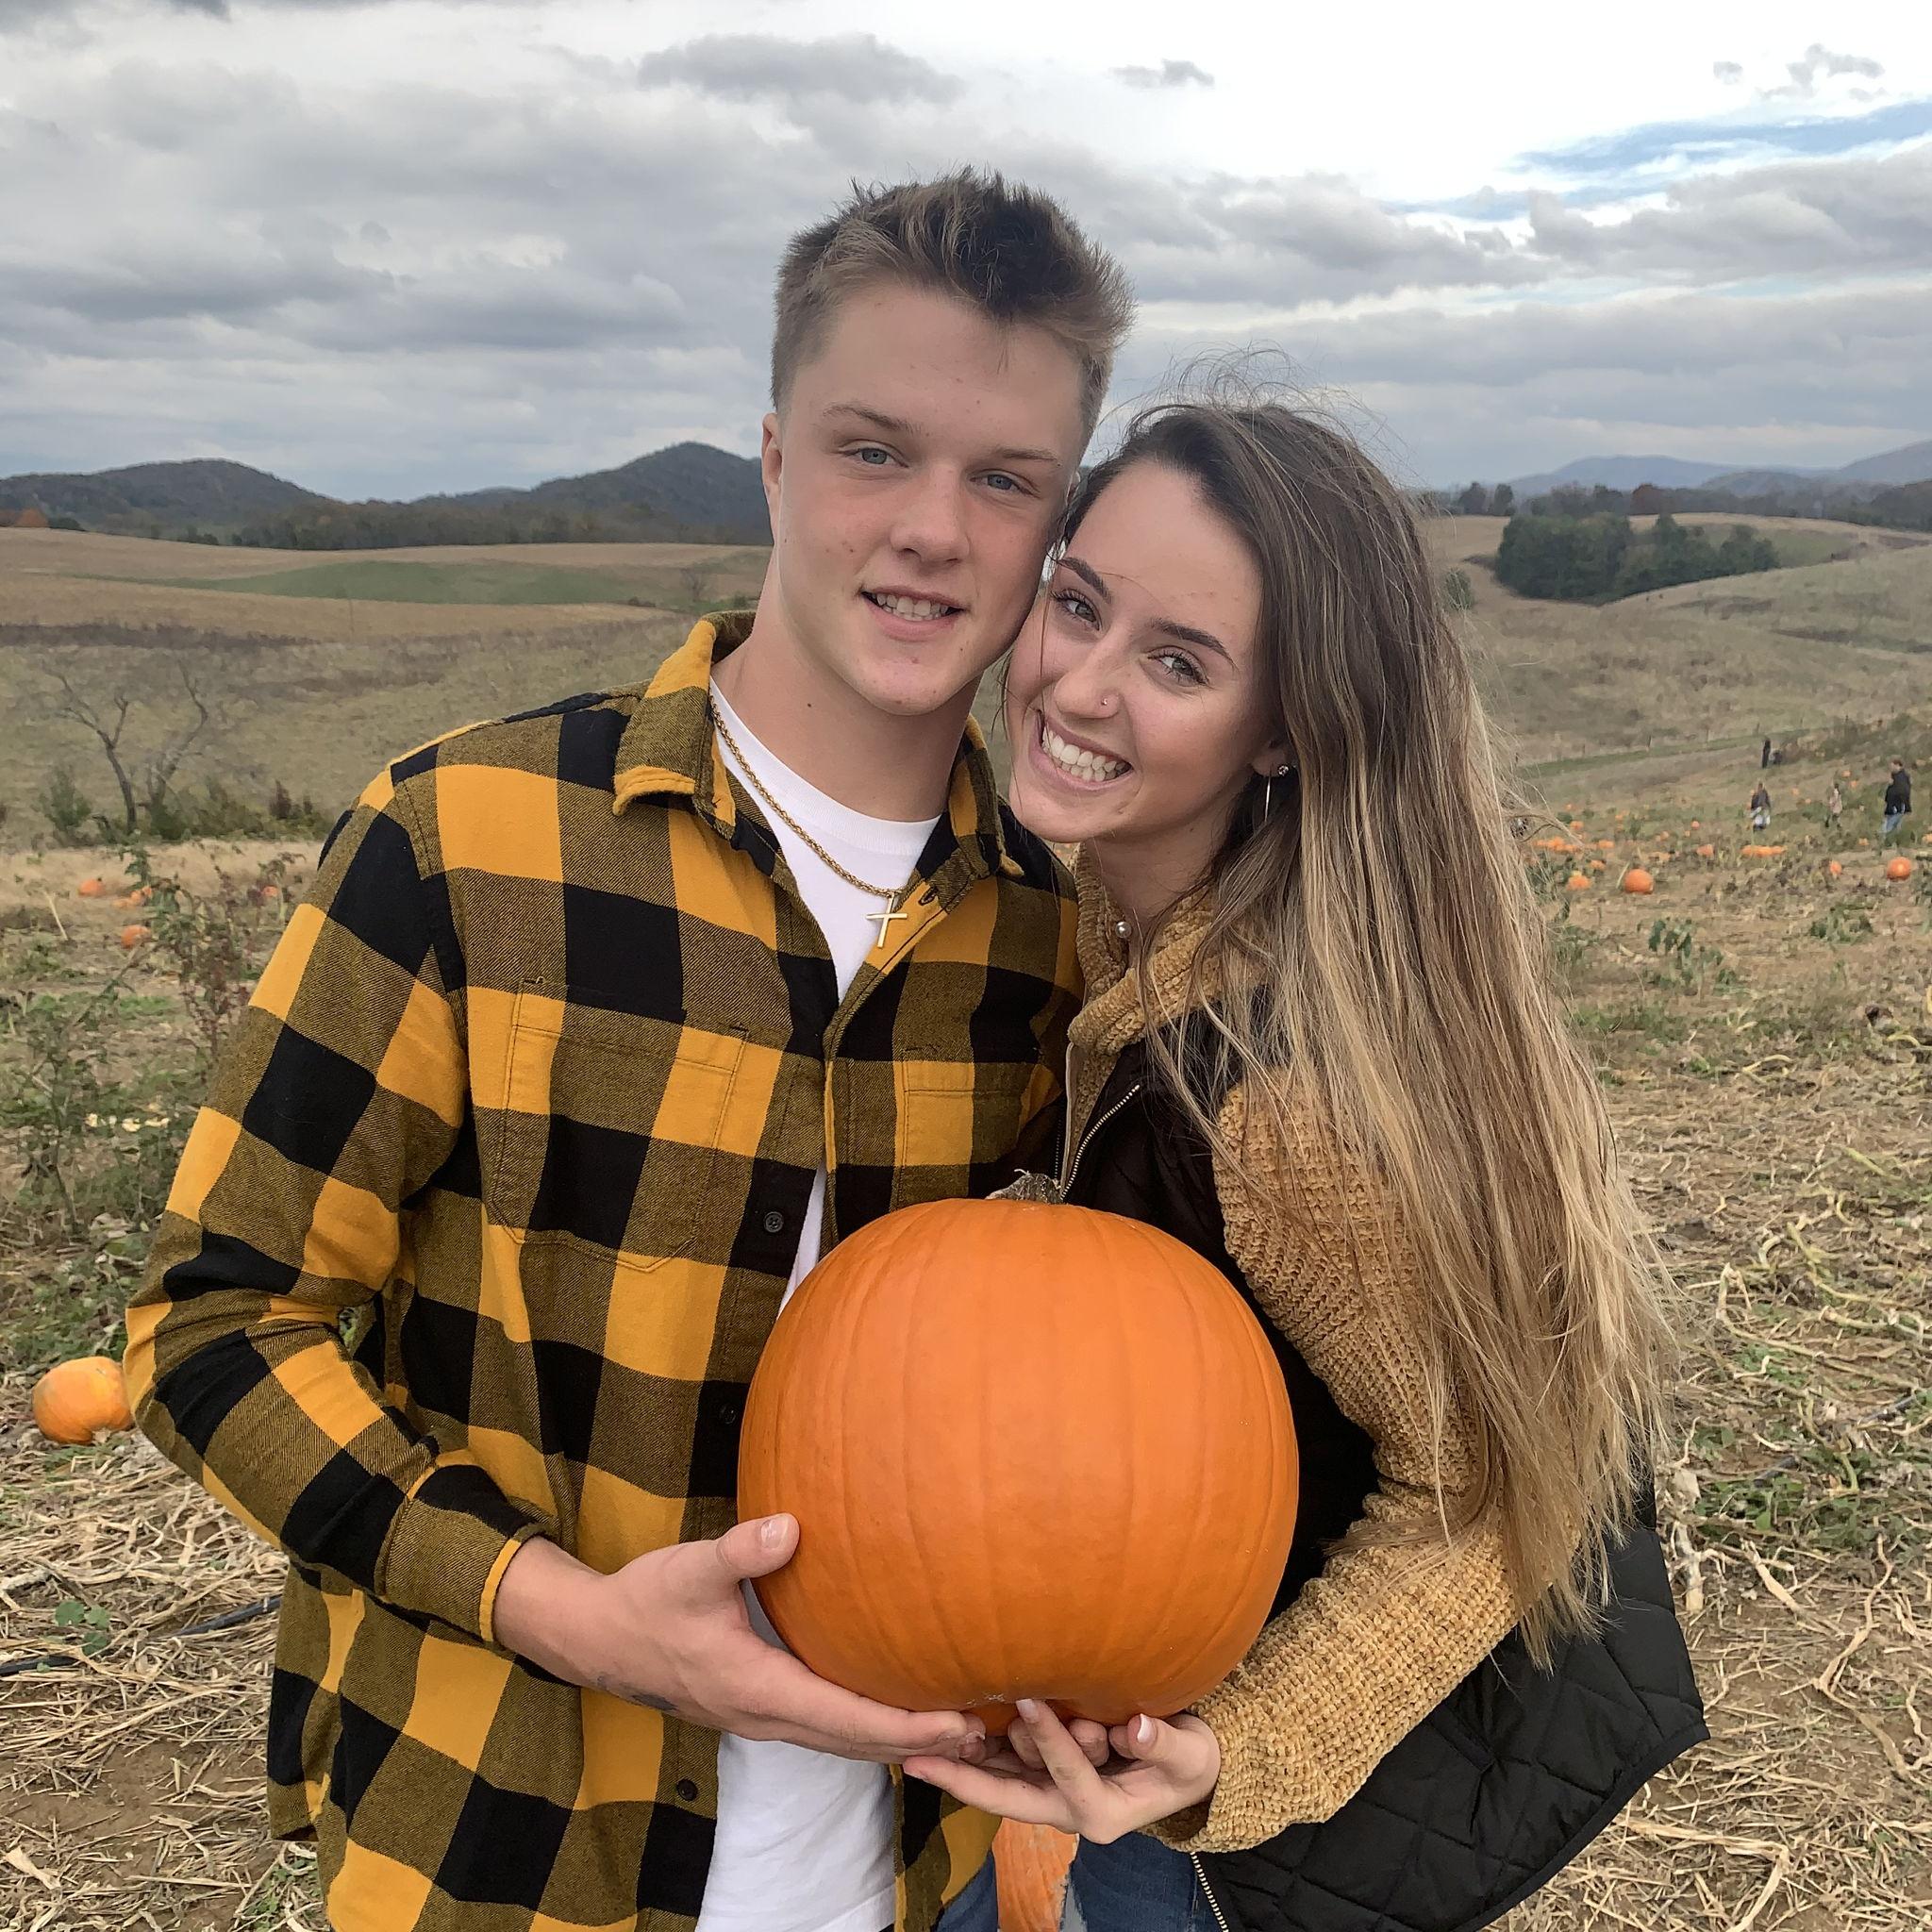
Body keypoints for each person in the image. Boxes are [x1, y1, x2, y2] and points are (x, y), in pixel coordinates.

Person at [124, 171, 1132, 1932]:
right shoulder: (465, 841)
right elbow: (211, 1327)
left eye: (1004, 481)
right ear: (772, 457)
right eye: (874, 451)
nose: (932, 529)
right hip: (496, 1853)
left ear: (1055, 532)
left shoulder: (1056, 946)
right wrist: (565, 1612)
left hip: (911, 1872)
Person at [904, 398, 1705, 1930]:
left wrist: (1240, 1751)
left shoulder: (1280, 1103)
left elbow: (1486, 1494)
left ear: (1281, 729)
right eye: (1078, 603)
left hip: (1239, 1832)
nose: (1077, 681)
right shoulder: (1128, 926)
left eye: (1177, 661)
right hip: (1142, 1712)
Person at [1883, 758, 1912, 839]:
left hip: (1897, 806)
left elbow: (1902, 792)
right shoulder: (1895, 777)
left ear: (1898, 765)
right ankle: (1894, 839)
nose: (1891, 768)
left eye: (1892, 766)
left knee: (1889, 826)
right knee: (1894, 825)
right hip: (1892, 806)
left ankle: (1887, 838)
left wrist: (1904, 804)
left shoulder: (1901, 778)